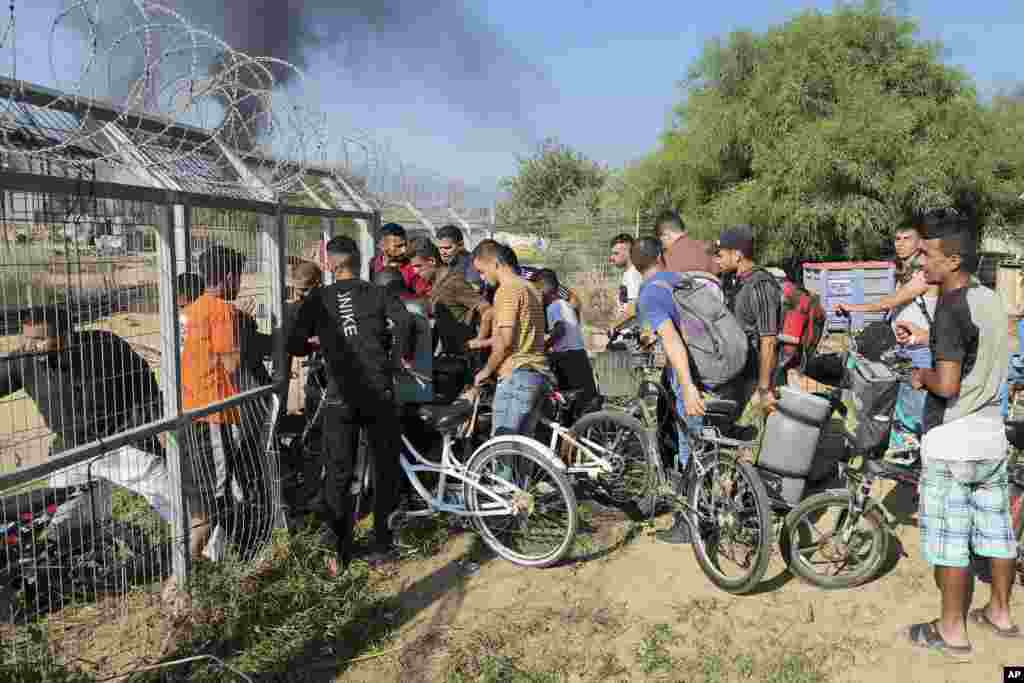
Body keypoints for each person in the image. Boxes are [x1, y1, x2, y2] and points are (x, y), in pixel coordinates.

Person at [891, 211, 1015, 657]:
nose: (921, 260)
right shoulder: (990, 299)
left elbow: (947, 385)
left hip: (953, 438)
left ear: (954, 259)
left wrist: (920, 376)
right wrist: (928, 335)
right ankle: (999, 613)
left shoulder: (948, 307)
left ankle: (951, 631)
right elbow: (974, 342)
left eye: (928, 254)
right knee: (997, 533)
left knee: (950, 541)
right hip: (992, 435)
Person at [287, 236, 414, 573]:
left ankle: (337, 551)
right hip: (378, 392)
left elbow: (295, 344)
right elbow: (405, 322)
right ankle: (383, 547)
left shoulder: (319, 298)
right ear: (357, 261)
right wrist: (396, 358)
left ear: (330, 264)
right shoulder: (378, 292)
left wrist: (320, 342)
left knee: (338, 473)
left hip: (340, 395)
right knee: (385, 469)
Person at [0, 307, 164, 543]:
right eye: (26, 338)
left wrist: (157, 425)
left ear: (67, 335)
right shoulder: (23, 360)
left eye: (40, 339)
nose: (30, 345)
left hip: (123, 442)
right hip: (72, 451)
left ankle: (207, 551)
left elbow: (144, 383)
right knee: (61, 527)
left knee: (181, 506)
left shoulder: (105, 345)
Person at [632, 237, 728, 544]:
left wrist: (686, 387)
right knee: (707, 444)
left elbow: (672, 341)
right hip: (715, 365)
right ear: (661, 256)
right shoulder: (680, 279)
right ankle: (711, 508)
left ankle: (692, 523)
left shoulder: (650, 292)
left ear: (635, 265)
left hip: (690, 373)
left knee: (691, 447)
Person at [181, 245, 266, 560]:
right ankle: (185, 569)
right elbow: (231, 365)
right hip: (217, 413)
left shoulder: (191, 309)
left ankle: (221, 553)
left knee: (212, 489)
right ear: (230, 277)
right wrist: (243, 328)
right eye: (239, 277)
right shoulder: (222, 311)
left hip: (192, 408)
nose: (240, 283)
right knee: (217, 494)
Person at [469, 240, 554, 437]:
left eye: (482, 271)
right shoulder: (530, 288)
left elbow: (505, 342)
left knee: (502, 446)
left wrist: (486, 371)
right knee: (521, 447)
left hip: (517, 376)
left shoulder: (507, 290)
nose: (482, 278)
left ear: (495, 263)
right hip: (537, 374)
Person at [715, 225, 783, 416]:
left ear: (737, 255)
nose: (717, 260)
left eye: (721, 255)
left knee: (751, 428)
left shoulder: (760, 285)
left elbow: (768, 340)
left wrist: (763, 389)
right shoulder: (738, 282)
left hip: (754, 378)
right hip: (737, 372)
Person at [537, 269, 599, 418]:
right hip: (579, 354)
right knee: (586, 400)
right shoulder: (565, 304)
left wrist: (543, 347)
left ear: (543, 289)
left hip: (567, 358)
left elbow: (560, 330)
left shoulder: (553, 307)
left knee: (569, 401)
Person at [408, 236, 481, 353]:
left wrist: (478, 342)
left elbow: (487, 310)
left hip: (466, 357)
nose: (415, 272)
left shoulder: (454, 282)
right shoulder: (436, 285)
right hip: (450, 355)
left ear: (432, 261)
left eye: (418, 266)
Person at [369, 222, 431, 298]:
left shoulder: (414, 268)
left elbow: (426, 296)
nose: (403, 250)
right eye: (398, 246)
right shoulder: (373, 264)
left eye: (405, 245)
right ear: (381, 246)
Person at [654, 211, 719, 276]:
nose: (662, 245)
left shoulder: (666, 258)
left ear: (666, 235)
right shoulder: (707, 248)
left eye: (660, 237)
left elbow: (658, 278)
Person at [608, 233, 644, 333]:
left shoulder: (632, 274)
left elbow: (633, 309)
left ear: (628, 253)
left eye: (616, 253)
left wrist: (613, 326)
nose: (611, 257)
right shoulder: (629, 273)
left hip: (631, 332)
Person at [435, 223, 482, 288]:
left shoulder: (472, 264)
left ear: (461, 245)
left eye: (447, 248)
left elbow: (475, 289)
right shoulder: (447, 264)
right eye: (440, 248)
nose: (442, 252)